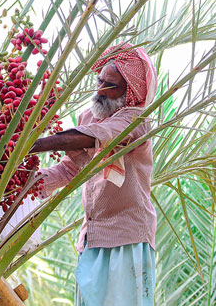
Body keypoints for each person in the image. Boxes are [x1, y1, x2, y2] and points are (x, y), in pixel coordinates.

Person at [23, 43, 158, 306]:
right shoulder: (90, 117)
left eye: (111, 87)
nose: (100, 91)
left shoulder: (136, 120)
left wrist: (25, 145)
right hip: (92, 239)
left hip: (127, 239)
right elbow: (70, 170)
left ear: (130, 92)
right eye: (100, 81)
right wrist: (24, 185)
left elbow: (93, 138)